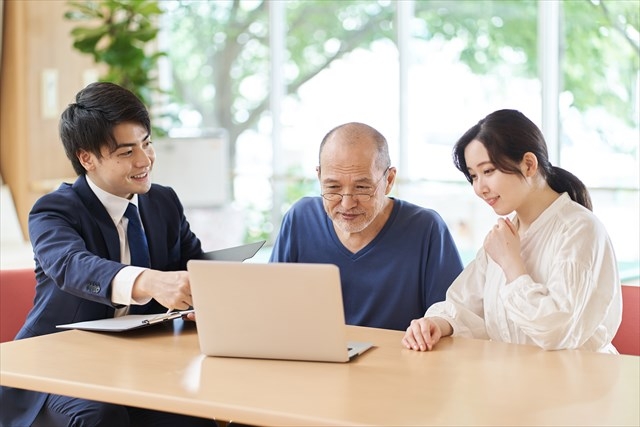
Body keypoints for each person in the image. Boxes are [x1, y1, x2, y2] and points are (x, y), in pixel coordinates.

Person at [0, 82, 217, 426]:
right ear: (87, 158)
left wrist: (216, 291)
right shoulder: (53, 210)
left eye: (146, 143)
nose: (144, 160)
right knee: (100, 417)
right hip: (58, 364)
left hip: (141, 360)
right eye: (126, 152)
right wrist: (149, 282)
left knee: (194, 414)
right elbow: (72, 266)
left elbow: (194, 266)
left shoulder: (163, 202)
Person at [402, 109, 622, 353]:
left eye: (488, 171)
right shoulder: (504, 234)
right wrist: (437, 324)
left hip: (577, 381)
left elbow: (556, 330)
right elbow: (464, 306)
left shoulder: (580, 229)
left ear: (529, 164)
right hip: (515, 378)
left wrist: (511, 265)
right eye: (473, 176)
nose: (480, 188)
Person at [269, 122, 464, 331]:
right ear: (319, 177)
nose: (347, 203)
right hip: (314, 358)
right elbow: (270, 304)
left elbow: (453, 318)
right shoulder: (301, 219)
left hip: (400, 361)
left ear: (389, 180)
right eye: (333, 187)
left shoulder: (426, 229)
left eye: (362, 188)